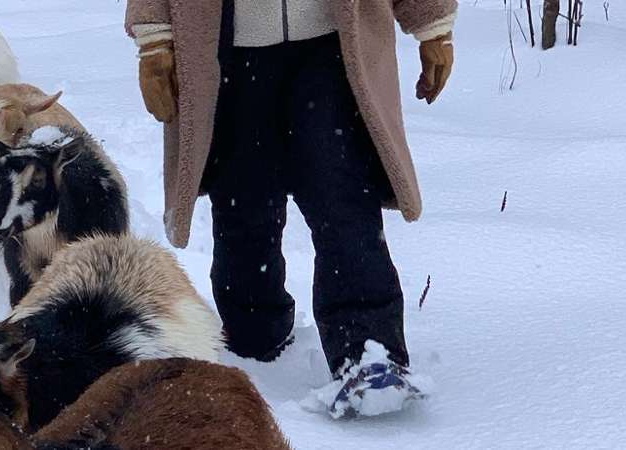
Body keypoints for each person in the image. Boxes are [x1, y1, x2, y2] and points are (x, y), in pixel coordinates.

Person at [125, 0, 456, 417]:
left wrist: (433, 24)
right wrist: (154, 41)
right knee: (244, 208)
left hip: (329, 49)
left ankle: (369, 351)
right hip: (229, 50)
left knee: (344, 200)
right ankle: (253, 333)